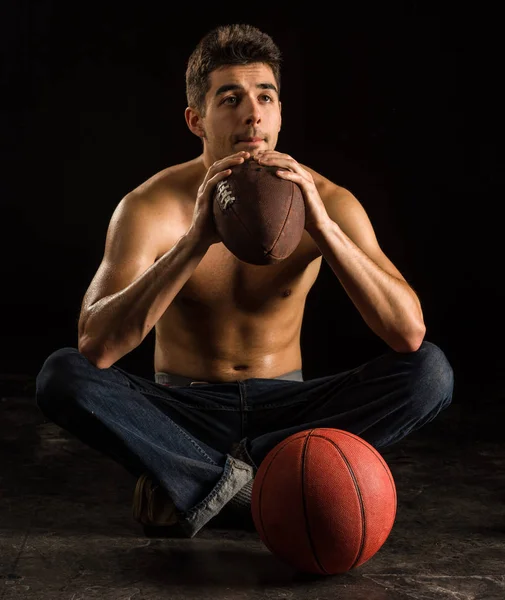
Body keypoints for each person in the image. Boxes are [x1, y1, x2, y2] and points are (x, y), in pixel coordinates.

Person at [35, 23, 454, 538]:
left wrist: (322, 228)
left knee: (431, 372)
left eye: (265, 97)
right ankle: (261, 488)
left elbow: (407, 333)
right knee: (62, 375)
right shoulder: (151, 207)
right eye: (230, 98)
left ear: (280, 113)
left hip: (289, 413)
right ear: (196, 119)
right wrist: (194, 241)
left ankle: (202, 479)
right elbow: (94, 347)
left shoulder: (330, 202)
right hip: (184, 410)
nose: (252, 113)